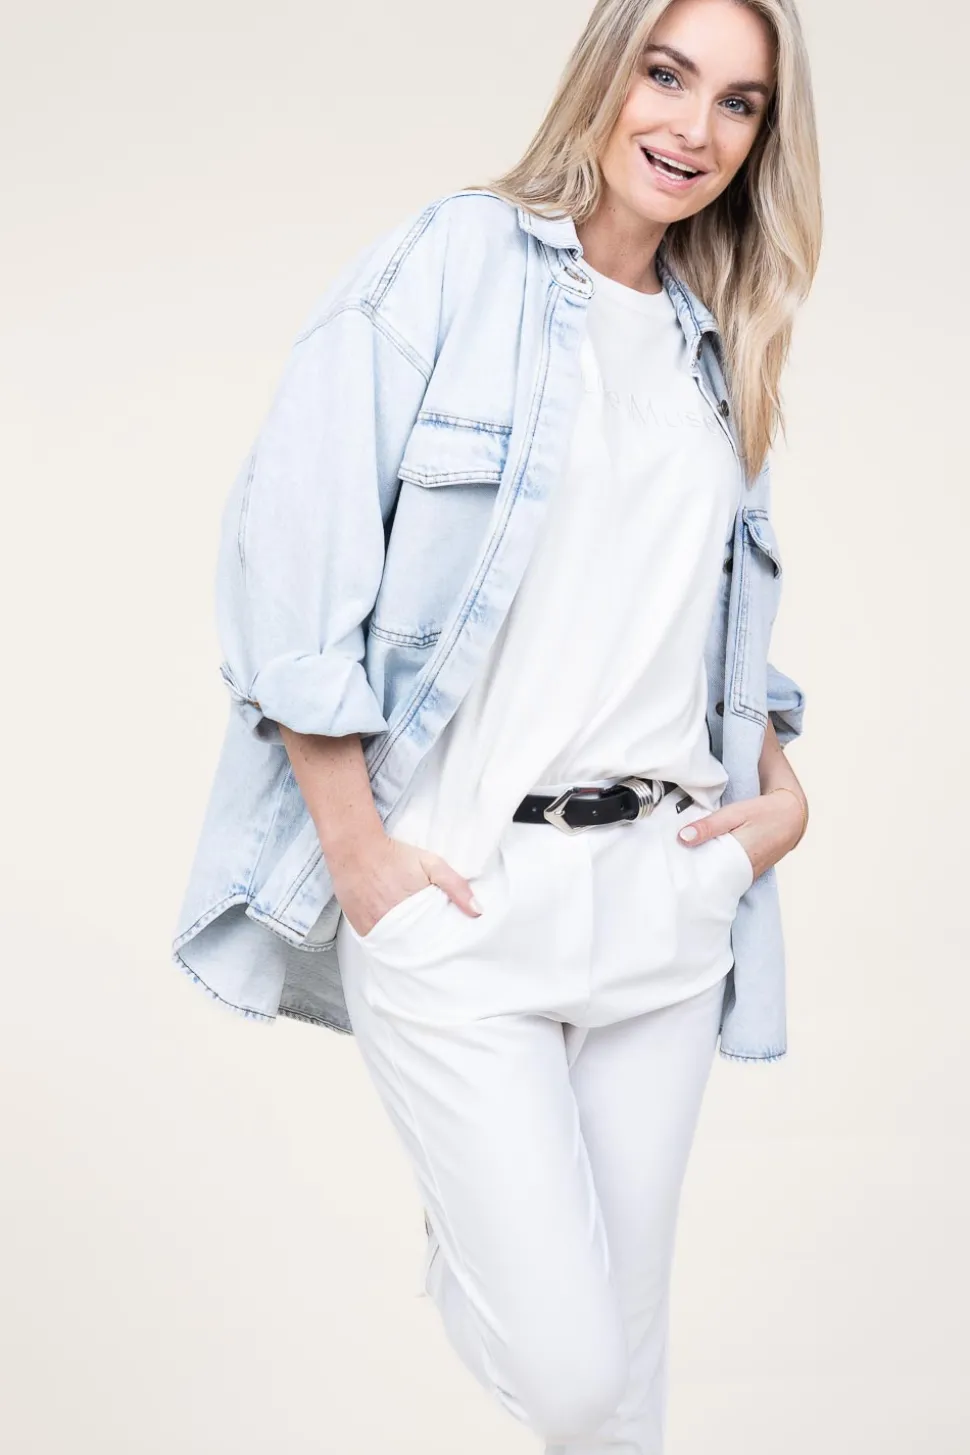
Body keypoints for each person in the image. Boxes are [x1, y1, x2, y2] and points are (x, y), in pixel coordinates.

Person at [171, 0, 820, 1447]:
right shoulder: (454, 262)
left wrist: (777, 804)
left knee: (621, 1404)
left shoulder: (719, 342)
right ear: (606, 70)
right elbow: (293, 555)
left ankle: (520, 1258)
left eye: (738, 103)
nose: (693, 128)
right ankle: (493, 1239)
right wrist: (359, 853)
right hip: (465, 888)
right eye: (666, 75)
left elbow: (704, 622)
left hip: (669, 893)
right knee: (574, 1368)